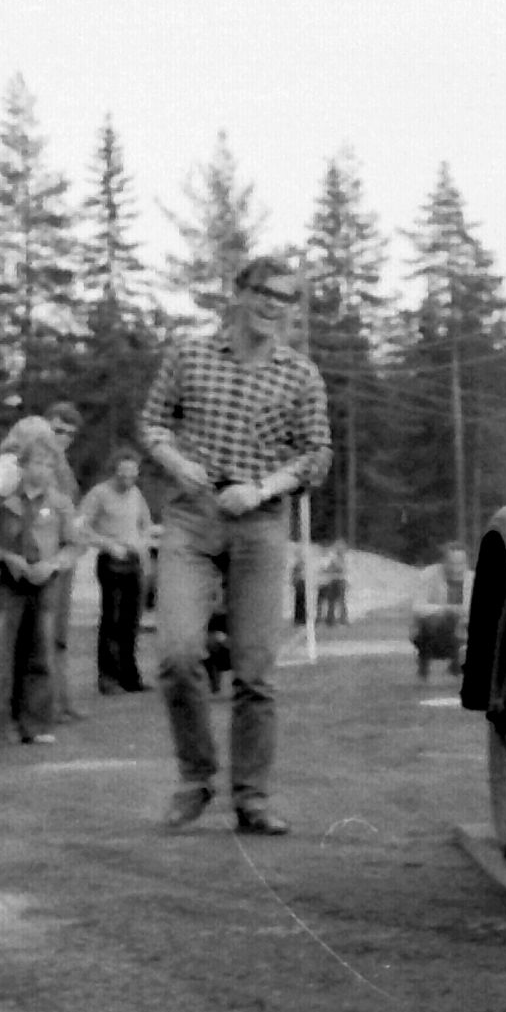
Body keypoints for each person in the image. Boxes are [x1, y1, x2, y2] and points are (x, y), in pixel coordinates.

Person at [142, 255, 331, 834]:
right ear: (240, 294)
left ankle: (251, 797)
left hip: (260, 520)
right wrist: (178, 463)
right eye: (266, 293)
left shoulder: (300, 375)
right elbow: (153, 423)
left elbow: (317, 454)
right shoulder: (190, 355)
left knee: (255, 671)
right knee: (178, 655)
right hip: (192, 517)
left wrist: (262, 489)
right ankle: (196, 777)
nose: (275, 306)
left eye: (287, 298)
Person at [0, 401, 88, 721]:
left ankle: (44, 711)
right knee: (8, 647)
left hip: (49, 569)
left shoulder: (59, 478)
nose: (61, 438)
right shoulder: (8, 471)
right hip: (12, 573)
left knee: (45, 641)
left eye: (69, 434)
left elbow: (72, 533)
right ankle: (5, 717)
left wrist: (55, 560)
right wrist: (2, 552)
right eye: (57, 431)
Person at [77, 448, 153, 694]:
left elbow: (146, 523)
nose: (127, 478)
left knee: (131, 621)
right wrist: (107, 544)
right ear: (114, 471)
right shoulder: (99, 494)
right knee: (112, 619)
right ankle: (108, 678)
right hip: (111, 560)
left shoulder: (136, 494)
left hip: (134, 560)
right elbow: (81, 527)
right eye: (123, 472)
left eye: (132, 473)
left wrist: (142, 543)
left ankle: (130, 676)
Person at [412, 542, 473, 679]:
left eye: (460, 563)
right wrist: (446, 609)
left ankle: (458, 665)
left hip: (462, 627)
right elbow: (417, 607)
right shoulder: (428, 575)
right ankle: (425, 663)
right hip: (434, 628)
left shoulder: (473, 579)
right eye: (451, 563)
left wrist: (463, 617)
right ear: (443, 562)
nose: (456, 568)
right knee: (434, 621)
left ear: (467, 563)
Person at [316, 538, 351, 626]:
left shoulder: (343, 559)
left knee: (340, 601)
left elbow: (342, 569)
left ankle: (341, 619)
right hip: (333, 581)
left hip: (339, 581)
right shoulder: (334, 559)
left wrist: (332, 568)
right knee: (332, 601)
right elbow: (328, 568)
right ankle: (331, 619)